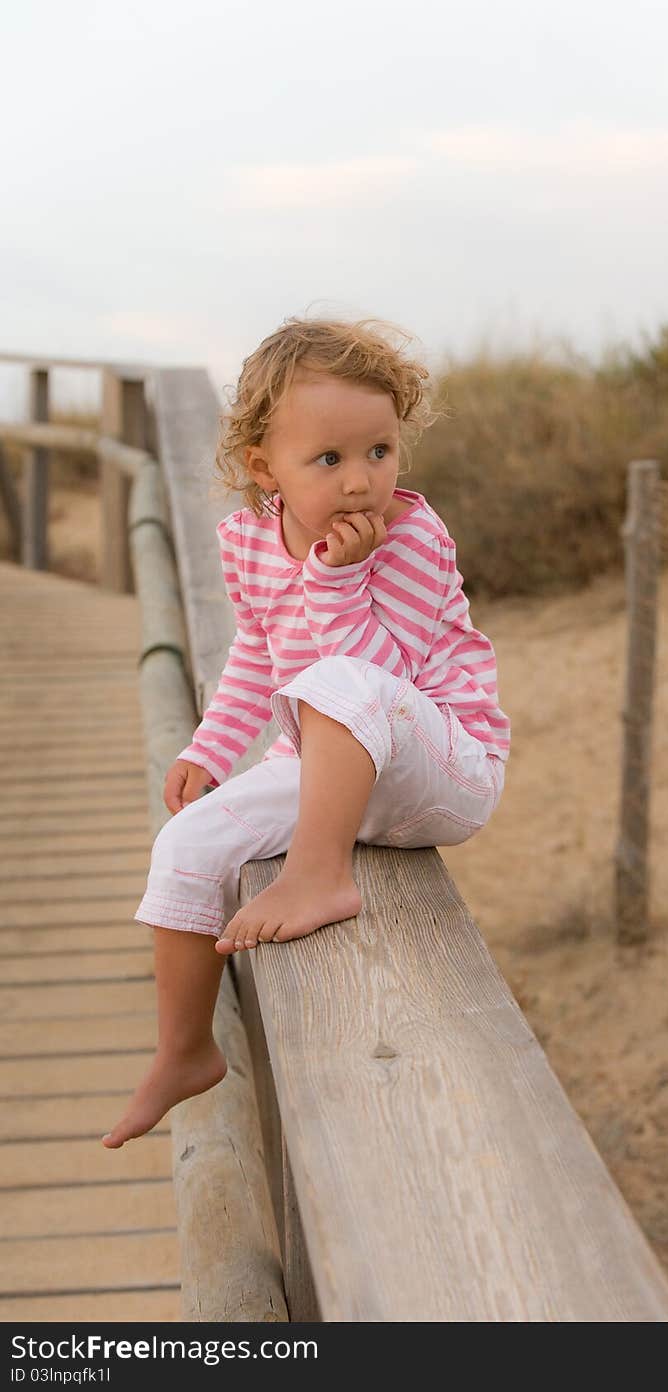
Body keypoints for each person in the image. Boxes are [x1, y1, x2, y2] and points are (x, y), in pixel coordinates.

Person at [102, 316, 510, 1148]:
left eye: (380, 452)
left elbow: (376, 681)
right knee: (186, 843)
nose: (362, 482)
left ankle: (319, 876)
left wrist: (336, 577)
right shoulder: (250, 541)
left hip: (445, 764)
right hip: (334, 773)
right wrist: (209, 750)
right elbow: (257, 650)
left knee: (338, 680)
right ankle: (184, 1049)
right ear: (265, 468)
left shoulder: (412, 537)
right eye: (330, 459)